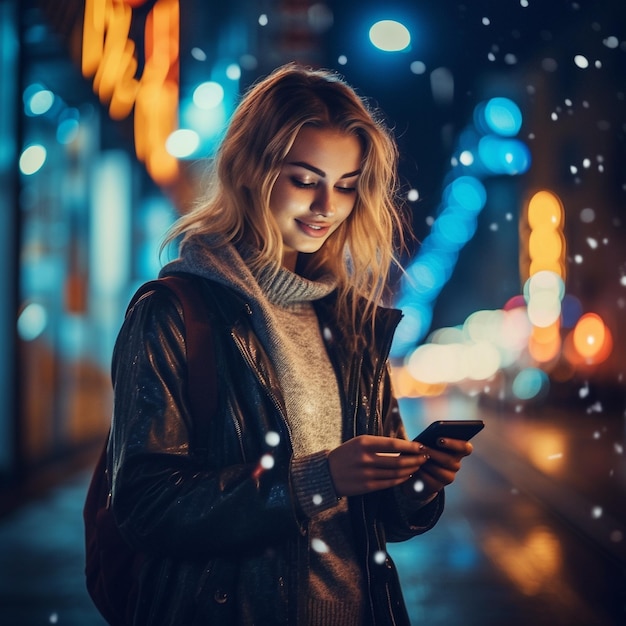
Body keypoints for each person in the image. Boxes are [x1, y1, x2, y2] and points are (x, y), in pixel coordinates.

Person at [108, 63, 473, 626]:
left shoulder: (352, 324)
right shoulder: (176, 313)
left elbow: (382, 523)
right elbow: (144, 508)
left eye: (346, 186)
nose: (328, 205)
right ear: (252, 170)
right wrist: (317, 479)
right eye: (306, 179)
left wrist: (417, 480)